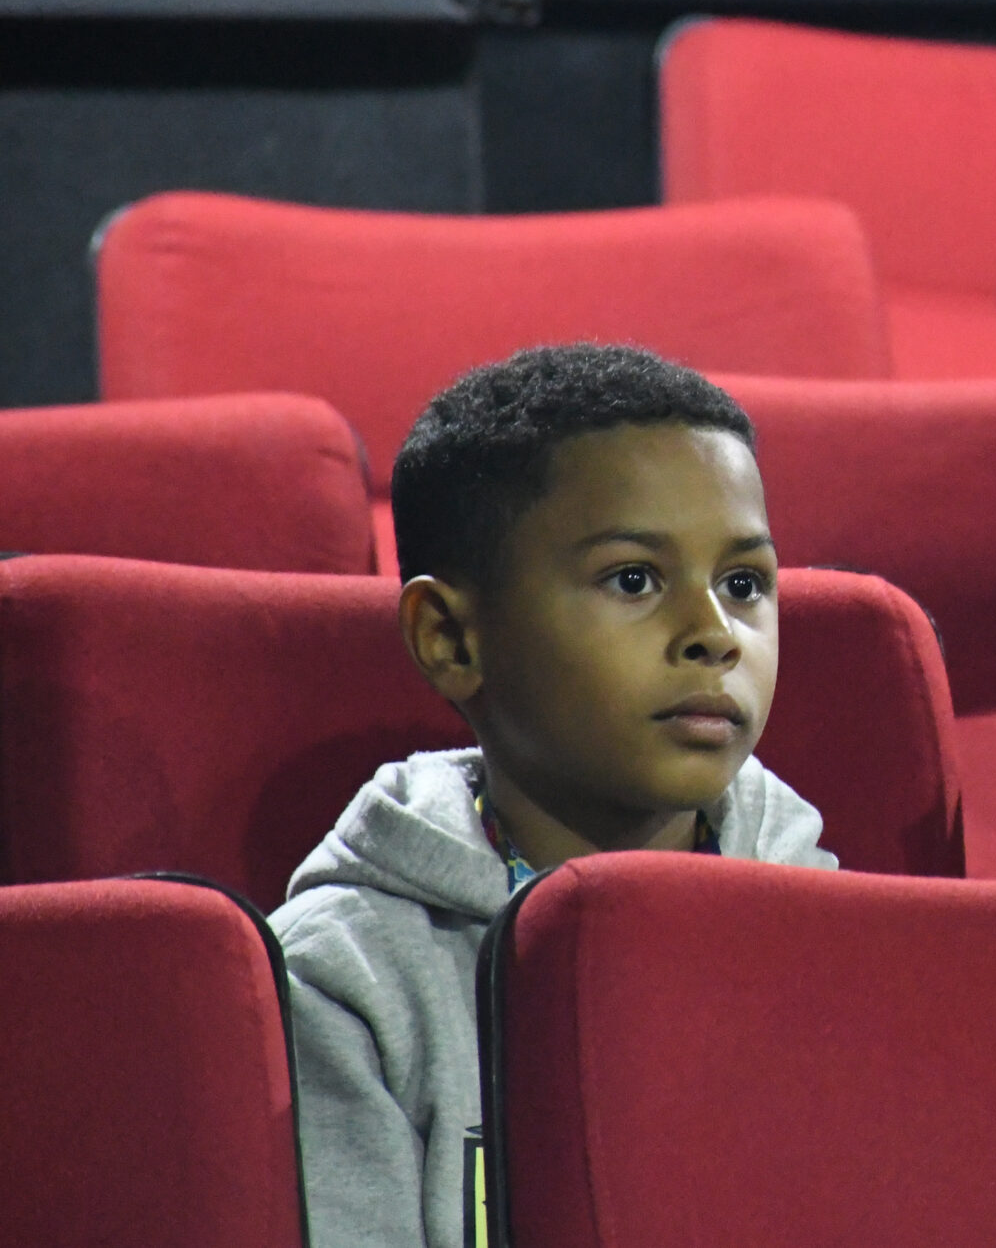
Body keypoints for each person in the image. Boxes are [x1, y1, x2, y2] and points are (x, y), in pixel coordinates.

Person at [271, 344, 835, 1248]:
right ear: (451, 638)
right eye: (633, 579)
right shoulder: (346, 987)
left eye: (744, 584)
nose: (714, 633)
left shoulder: (835, 924)